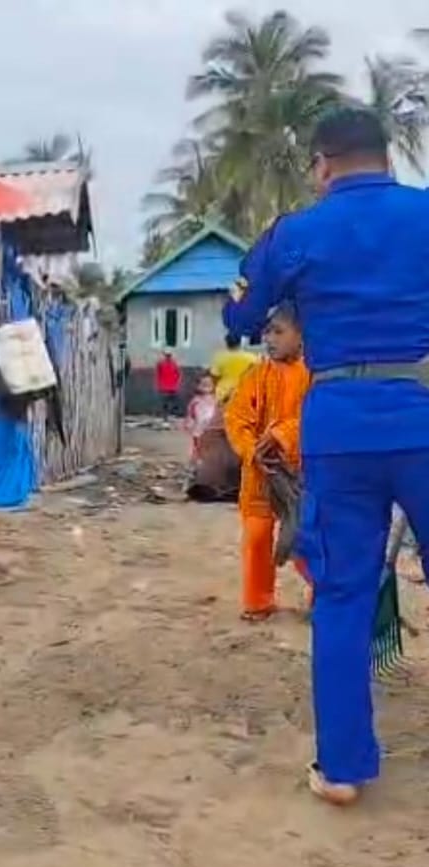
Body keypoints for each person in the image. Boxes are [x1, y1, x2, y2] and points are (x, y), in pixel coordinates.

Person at [223, 107, 429, 807]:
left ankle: (341, 769)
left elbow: (240, 318)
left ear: (324, 164)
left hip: (339, 429)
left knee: (342, 594)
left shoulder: (298, 232)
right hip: (425, 417)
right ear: (384, 155)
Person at [224, 308, 312, 622]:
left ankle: (322, 595)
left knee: (306, 536)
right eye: (267, 332)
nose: (269, 339)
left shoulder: (312, 376)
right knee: (258, 537)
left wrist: (281, 434)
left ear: (301, 335)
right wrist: (251, 450)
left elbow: (314, 418)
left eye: (278, 332)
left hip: (301, 475)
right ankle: (258, 602)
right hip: (260, 475)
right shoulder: (255, 376)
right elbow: (236, 419)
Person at [210, 333, 260, 403]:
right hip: (245, 394)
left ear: (226, 343)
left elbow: (214, 377)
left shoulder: (220, 358)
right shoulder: (252, 358)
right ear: (240, 342)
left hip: (224, 394)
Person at [184, 374, 219, 465]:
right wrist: (189, 424)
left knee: (211, 447)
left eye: (209, 384)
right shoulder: (195, 401)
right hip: (199, 428)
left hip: (212, 429)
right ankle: (197, 461)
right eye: (203, 384)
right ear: (198, 386)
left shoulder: (217, 400)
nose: (206, 387)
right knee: (198, 446)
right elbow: (191, 414)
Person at [156, 351, 183, 417]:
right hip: (165, 387)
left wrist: (177, 383)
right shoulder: (161, 364)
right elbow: (158, 374)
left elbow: (179, 374)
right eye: (167, 355)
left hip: (171, 387)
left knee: (173, 401)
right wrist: (159, 385)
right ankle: (166, 414)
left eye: (169, 355)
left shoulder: (173, 364)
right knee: (166, 402)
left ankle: (172, 413)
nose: (168, 357)